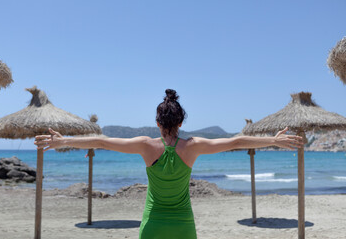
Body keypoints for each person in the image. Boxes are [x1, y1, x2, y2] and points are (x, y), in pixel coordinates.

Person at [34, 89, 303, 239]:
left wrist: (63, 141)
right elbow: (235, 142)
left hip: (152, 226)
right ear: (181, 123)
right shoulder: (193, 146)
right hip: (183, 226)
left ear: (158, 123)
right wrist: (273, 141)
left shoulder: (145, 145)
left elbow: (102, 142)